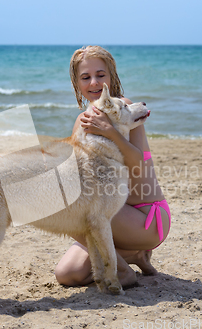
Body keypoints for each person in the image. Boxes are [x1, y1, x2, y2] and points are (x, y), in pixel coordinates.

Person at [54, 45, 171, 287]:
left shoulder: (125, 108)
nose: (94, 82)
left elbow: (138, 164)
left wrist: (109, 131)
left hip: (145, 218)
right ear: (77, 84)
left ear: (112, 78)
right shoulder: (81, 120)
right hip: (109, 219)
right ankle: (133, 255)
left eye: (101, 75)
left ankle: (124, 271)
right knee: (68, 274)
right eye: (86, 77)